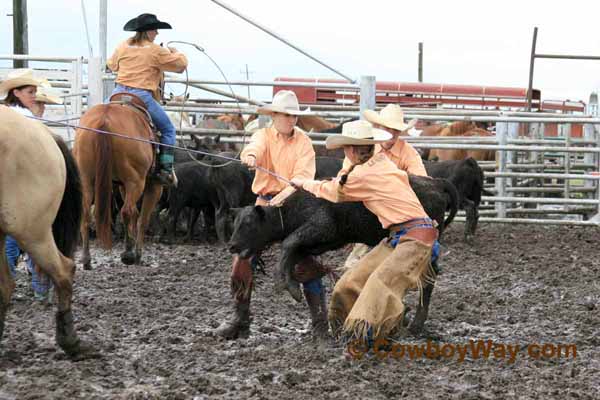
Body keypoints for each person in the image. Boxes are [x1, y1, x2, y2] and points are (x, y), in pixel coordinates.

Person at [290, 120, 438, 343]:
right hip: (401, 237)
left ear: (348, 149)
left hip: (415, 240)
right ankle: (351, 334)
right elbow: (344, 180)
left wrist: (303, 183)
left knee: (378, 287)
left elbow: (334, 191)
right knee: (349, 284)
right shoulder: (380, 162)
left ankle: (365, 338)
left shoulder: (363, 175)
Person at [215, 90, 329, 340]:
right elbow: (253, 148)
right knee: (242, 259)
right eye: (287, 115)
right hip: (265, 205)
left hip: (295, 207)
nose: (292, 120)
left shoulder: (304, 143)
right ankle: (240, 318)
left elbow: (303, 178)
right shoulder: (262, 135)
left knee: (305, 261)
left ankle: (320, 324)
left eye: (294, 116)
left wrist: (286, 193)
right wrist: (251, 157)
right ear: (275, 116)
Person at [106, 13, 188, 185]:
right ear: (148, 32)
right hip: (141, 94)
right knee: (168, 130)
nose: (157, 33)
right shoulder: (155, 50)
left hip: (118, 93)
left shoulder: (123, 46)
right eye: (155, 29)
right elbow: (181, 66)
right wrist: (176, 53)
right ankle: (165, 170)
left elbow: (112, 65)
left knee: (94, 120)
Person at [0, 69, 55, 303]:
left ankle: (8, 283)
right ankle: (39, 287)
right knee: (30, 237)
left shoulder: (10, 114)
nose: (34, 96)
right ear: (17, 92)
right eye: (30, 92)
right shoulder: (23, 119)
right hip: (22, 187)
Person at [341, 104, 427, 176]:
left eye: (396, 129)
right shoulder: (363, 145)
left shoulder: (408, 151)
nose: (392, 133)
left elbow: (421, 178)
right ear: (378, 127)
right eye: (387, 128)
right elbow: (344, 175)